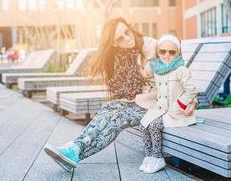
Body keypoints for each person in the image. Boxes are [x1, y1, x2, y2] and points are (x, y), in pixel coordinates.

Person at [44, 17, 197, 172]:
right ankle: (75, 148)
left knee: (118, 119)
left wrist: (192, 101)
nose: (127, 38)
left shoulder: (155, 47)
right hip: (145, 100)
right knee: (110, 107)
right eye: (120, 38)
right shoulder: (125, 55)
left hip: (161, 106)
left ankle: (75, 152)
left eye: (127, 32)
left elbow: (181, 73)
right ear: (114, 43)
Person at [139, 34, 197, 174]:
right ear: (158, 52)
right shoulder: (157, 68)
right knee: (143, 124)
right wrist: (148, 52)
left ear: (177, 53)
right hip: (160, 108)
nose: (166, 55)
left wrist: (180, 104)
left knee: (154, 126)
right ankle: (149, 156)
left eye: (171, 52)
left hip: (175, 111)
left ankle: (158, 157)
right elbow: (144, 73)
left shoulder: (181, 69)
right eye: (162, 51)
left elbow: (191, 90)